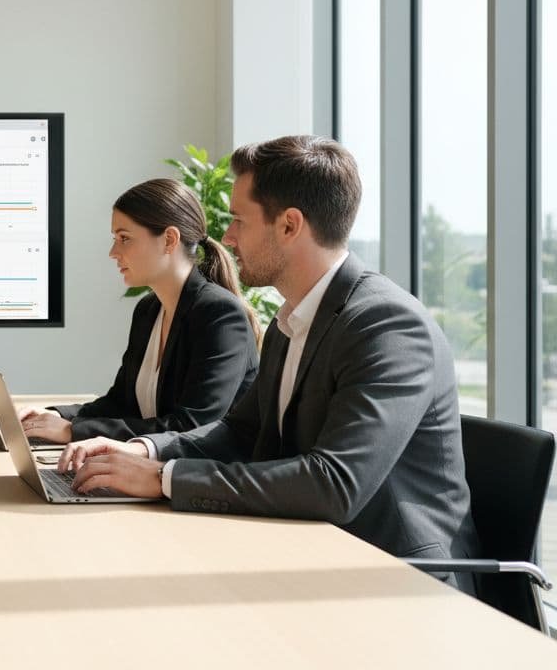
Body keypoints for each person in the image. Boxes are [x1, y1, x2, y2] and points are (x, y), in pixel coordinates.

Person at [61, 136, 480, 581]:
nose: (227, 236)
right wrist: (140, 450)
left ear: (289, 225)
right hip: (307, 551)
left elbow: (334, 483)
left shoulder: (386, 325)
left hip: (394, 575)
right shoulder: (294, 318)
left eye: (239, 219)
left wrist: (163, 477)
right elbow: (240, 432)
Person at [18, 178, 258, 443]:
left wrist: (72, 431)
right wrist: (55, 416)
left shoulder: (219, 314)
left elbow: (192, 425)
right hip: (147, 468)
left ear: (169, 239)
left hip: (200, 478)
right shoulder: (148, 310)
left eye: (124, 238)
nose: (113, 252)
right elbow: (121, 403)